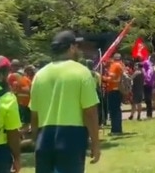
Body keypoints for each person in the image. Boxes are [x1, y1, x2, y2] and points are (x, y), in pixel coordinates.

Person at [30, 30, 101, 173]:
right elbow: (90, 112)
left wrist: (35, 140)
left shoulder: (39, 75)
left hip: (44, 138)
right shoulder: (81, 72)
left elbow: (34, 115)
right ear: (72, 47)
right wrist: (95, 143)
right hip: (71, 137)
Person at [7, 59, 32, 135]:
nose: (14, 67)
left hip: (20, 102)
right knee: (25, 121)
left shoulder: (12, 76)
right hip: (26, 102)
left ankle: (21, 136)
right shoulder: (25, 76)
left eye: (15, 66)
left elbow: (13, 89)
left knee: (21, 122)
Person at [102, 53, 124, 134]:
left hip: (113, 90)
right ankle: (118, 128)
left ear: (113, 58)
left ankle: (115, 129)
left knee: (113, 111)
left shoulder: (114, 66)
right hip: (119, 90)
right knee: (117, 110)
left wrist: (102, 78)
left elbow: (111, 78)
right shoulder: (122, 65)